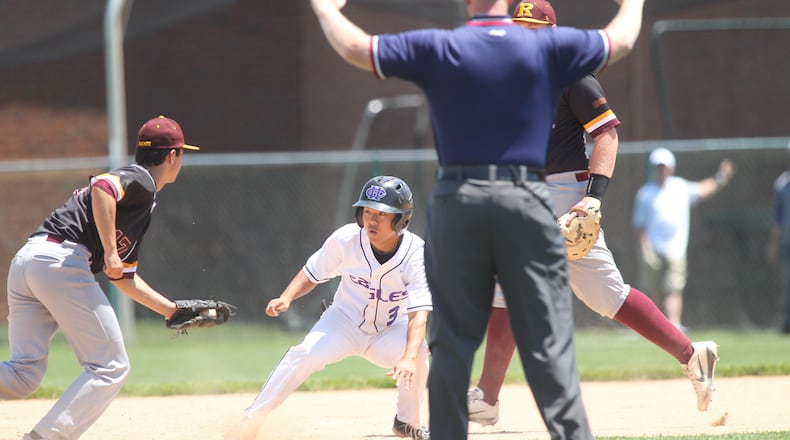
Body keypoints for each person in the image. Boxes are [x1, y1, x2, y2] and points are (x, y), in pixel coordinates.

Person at [310, 0, 647, 438]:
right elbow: (620, 40)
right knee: (548, 343)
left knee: (452, 344)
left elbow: (356, 47)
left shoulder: (442, 46)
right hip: (527, 198)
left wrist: (323, 8)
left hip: (459, 199)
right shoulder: (543, 47)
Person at [466, 1, 720, 427]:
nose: (524, 35)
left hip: (566, 192)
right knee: (606, 294)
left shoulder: (573, 78)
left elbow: (606, 134)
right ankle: (692, 353)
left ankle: (487, 398)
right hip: (527, 191)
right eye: (519, 27)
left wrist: (593, 196)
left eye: (533, 28)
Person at [0, 116, 201, 439]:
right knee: (110, 366)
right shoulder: (143, 180)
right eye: (181, 154)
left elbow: (123, 277)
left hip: (31, 261)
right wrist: (109, 250)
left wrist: (172, 311)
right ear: (172, 156)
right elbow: (103, 187)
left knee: (24, 375)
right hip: (60, 263)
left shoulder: (139, 199)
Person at [225, 176, 432, 440]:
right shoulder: (346, 239)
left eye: (382, 214)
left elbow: (419, 316)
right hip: (343, 322)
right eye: (367, 211)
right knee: (304, 353)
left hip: (390, 329)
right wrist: (287, 297)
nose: (372, 220)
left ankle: (407, 422)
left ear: (401, 219)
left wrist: (408, 357)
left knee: (419, 354)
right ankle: (251, 420)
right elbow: (312, 273)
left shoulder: (416, 254)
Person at [633, 148, 735, 331]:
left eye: (664, 167)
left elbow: (705, 189)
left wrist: (722, 176)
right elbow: (640, 224)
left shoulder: (680, 187)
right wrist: (644, 247)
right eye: (658, 167)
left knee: (674, 287)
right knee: (654, 289)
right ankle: (656, 326)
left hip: (675, 248)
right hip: (652, 248)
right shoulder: (645, 193)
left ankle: (674, 324)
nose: (661, 171)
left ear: (671, 168)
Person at [766, 145, 790, 334]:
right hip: (787, 244)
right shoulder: (782, 183)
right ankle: (787, 322)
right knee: (787, 284)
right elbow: (777, 219)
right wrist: (773, 245)